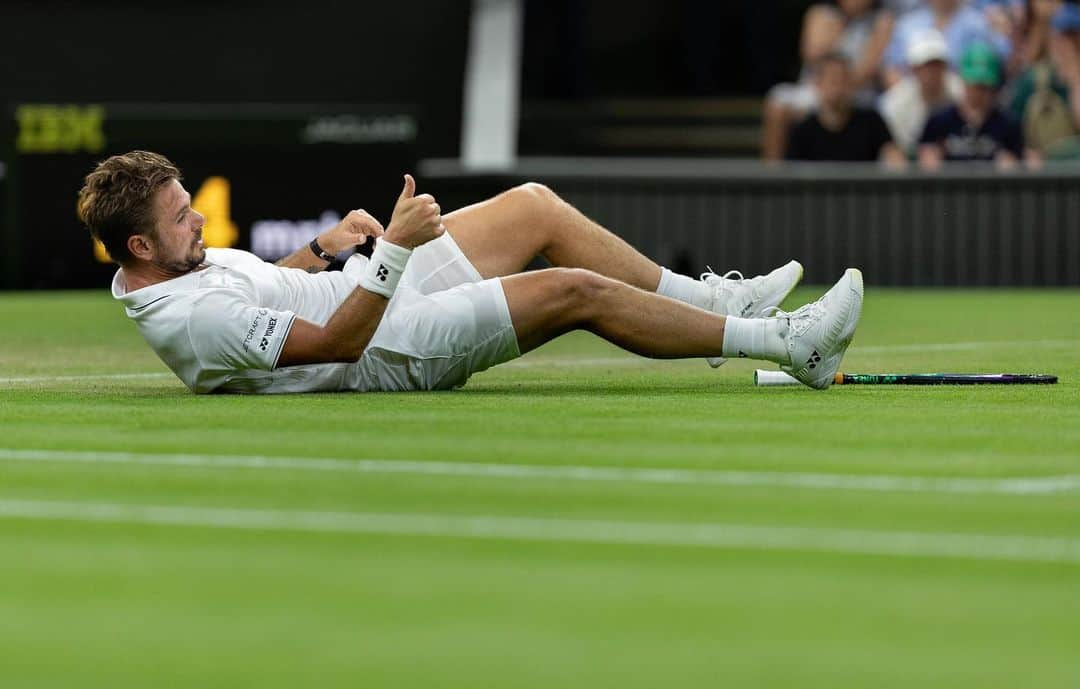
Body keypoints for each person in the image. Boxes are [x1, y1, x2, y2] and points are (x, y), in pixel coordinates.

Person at [76, 151, 864, 394]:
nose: (199, 220)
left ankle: (717, 302)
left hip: (374, 294)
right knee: (572, 292)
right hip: (393, 348)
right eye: (182, 218)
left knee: (533, 206)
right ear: (140, 248)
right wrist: (392, 252)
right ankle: (787, 342)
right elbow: (338, 344)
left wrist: (320, 250)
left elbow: (265, 291)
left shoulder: (188, 272)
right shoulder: (191, 319)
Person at [761, 0, 895, 160]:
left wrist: (842, 83)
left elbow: (869, 67)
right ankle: (772, 178)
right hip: (817, 87)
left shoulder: (881, 20)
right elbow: (811, 55)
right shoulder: (821, 14)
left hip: (858, 92)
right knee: (777, 103)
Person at [919, 41, 1032, 168]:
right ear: (963, 81)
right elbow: (924, 158)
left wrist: (1012, 164)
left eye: (984, 86)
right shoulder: (939, 121)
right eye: (975, 85)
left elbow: (1022, 161)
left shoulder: (1007, 124)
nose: (979, 93)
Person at [786, 53, 909, 164]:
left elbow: (893, 156)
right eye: (833, 80)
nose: (838, 87)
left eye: (844, 80)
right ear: (818, 84)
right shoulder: (803, 131)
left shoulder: (871, 121)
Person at [883, 0, 1012, 88]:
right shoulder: (907, 24)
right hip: (913, 101)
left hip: (960, 102)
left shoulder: (979, 24)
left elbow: (997, 64)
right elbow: (891, 69)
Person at [1009, 1, 1080, 156]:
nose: (1065, 45)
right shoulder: (1036, 78)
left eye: (1073, 38)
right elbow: (1012, 126)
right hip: (1049, 172)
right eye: (1061, 38)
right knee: (1042, 102)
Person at [879, 29, 964, 154]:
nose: (932, 72)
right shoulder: (895, 103)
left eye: (937, 64)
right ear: (913, 69)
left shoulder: (961, 94)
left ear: (945, 66)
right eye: (926, 66)